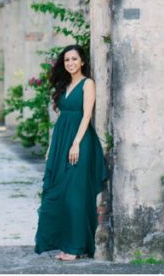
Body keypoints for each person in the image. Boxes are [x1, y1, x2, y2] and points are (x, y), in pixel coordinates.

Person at [34, 44, 109, 261]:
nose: (70, 63)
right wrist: (52, 146)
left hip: (80, 141)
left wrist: (76, 143)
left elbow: (86, 115)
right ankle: (65, 244)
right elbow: (61, 117)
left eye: (74, 59)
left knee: (76, 195)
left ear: (82, 61)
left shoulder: (88, 83)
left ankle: (75, 248)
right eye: (67, 60)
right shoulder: (65, 84)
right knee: (59, 193)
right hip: (61, 141)